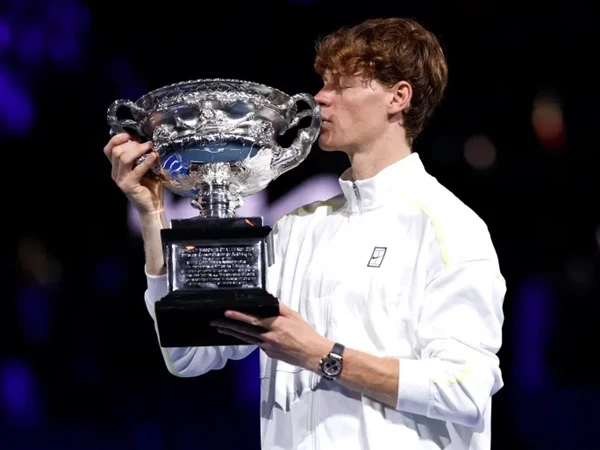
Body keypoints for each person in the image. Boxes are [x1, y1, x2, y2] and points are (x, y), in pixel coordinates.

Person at [103, 17, 505, 450]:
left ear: (398, 97)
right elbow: (189, 354)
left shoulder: (449, 226)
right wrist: (152, 213)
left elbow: (465, 389)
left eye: (341, 86)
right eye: (323, 84)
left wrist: (321, 354)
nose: (320, 98)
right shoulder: (295, 230)